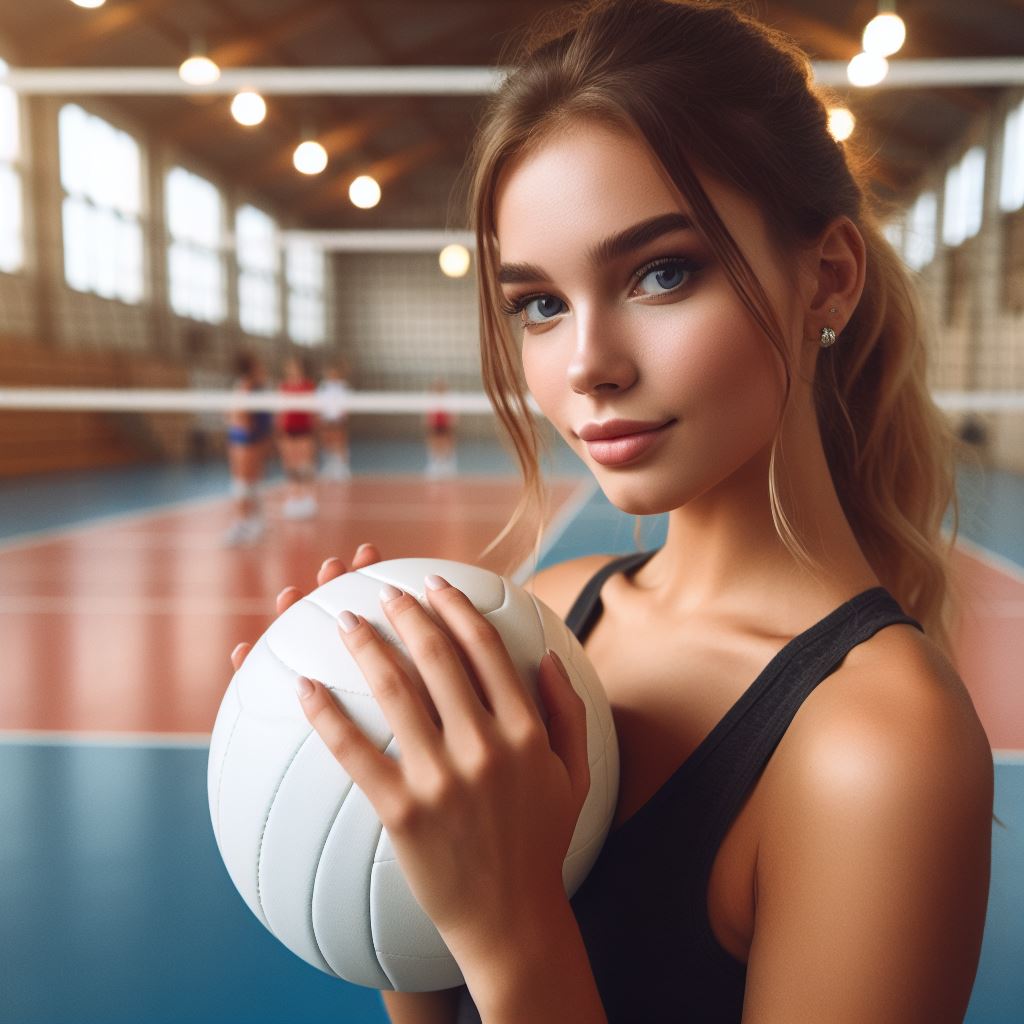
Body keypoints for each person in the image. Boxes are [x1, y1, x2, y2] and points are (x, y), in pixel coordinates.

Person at [230, 2, 994, 1021]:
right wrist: (377, 850)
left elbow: (509, 951)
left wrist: (511, 927)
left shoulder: (880, 748)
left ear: (829, 276)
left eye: (661, 272)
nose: (586, 363)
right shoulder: (543, 617)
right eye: (538, 303)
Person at [222, 352, 273, 546]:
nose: (262, 367)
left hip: (247, 438)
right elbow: (236, 414)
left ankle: (245, 523)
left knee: (244, 482)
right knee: (247, 481)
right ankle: (252, 523)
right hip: (245, 437)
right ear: (251, 367)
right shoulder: (247, 386)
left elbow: (239, 415)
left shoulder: (251, 387)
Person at [277, 354, 319, 518]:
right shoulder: (283, 386)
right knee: (290, 465)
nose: (291, 369)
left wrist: (316, 429)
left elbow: (313, 410)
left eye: (294, 366)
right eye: (289, 366)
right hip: (288, 429)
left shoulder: (308, 385)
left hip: (304, 429)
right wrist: (279, 429)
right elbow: (281, 410)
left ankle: (308, 498)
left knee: (305, 465)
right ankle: (293, 497)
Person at [318, 359, 353, 480]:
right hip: (326, 419)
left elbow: (347, 404)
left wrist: (342, 416)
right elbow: (319, 403)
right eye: (329, 373)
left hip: (338, 419)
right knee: (327, 443)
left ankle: (342, 467)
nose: (331, 375)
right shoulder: (323, 387)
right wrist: (321, 418)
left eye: (334, 373)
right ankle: (329, 466)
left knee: (340, 443)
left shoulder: (343, 387)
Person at [424, 377, 458, 478]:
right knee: (434, 441)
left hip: (445, 423)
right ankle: (435, 463)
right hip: (435, 424)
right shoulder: (431, 398)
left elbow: (453, 413)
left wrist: (452, 423)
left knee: (447, 441)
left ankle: (448, 464)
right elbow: (428, 414)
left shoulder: (449, 398)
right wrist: (429, 424)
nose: (439, 388)